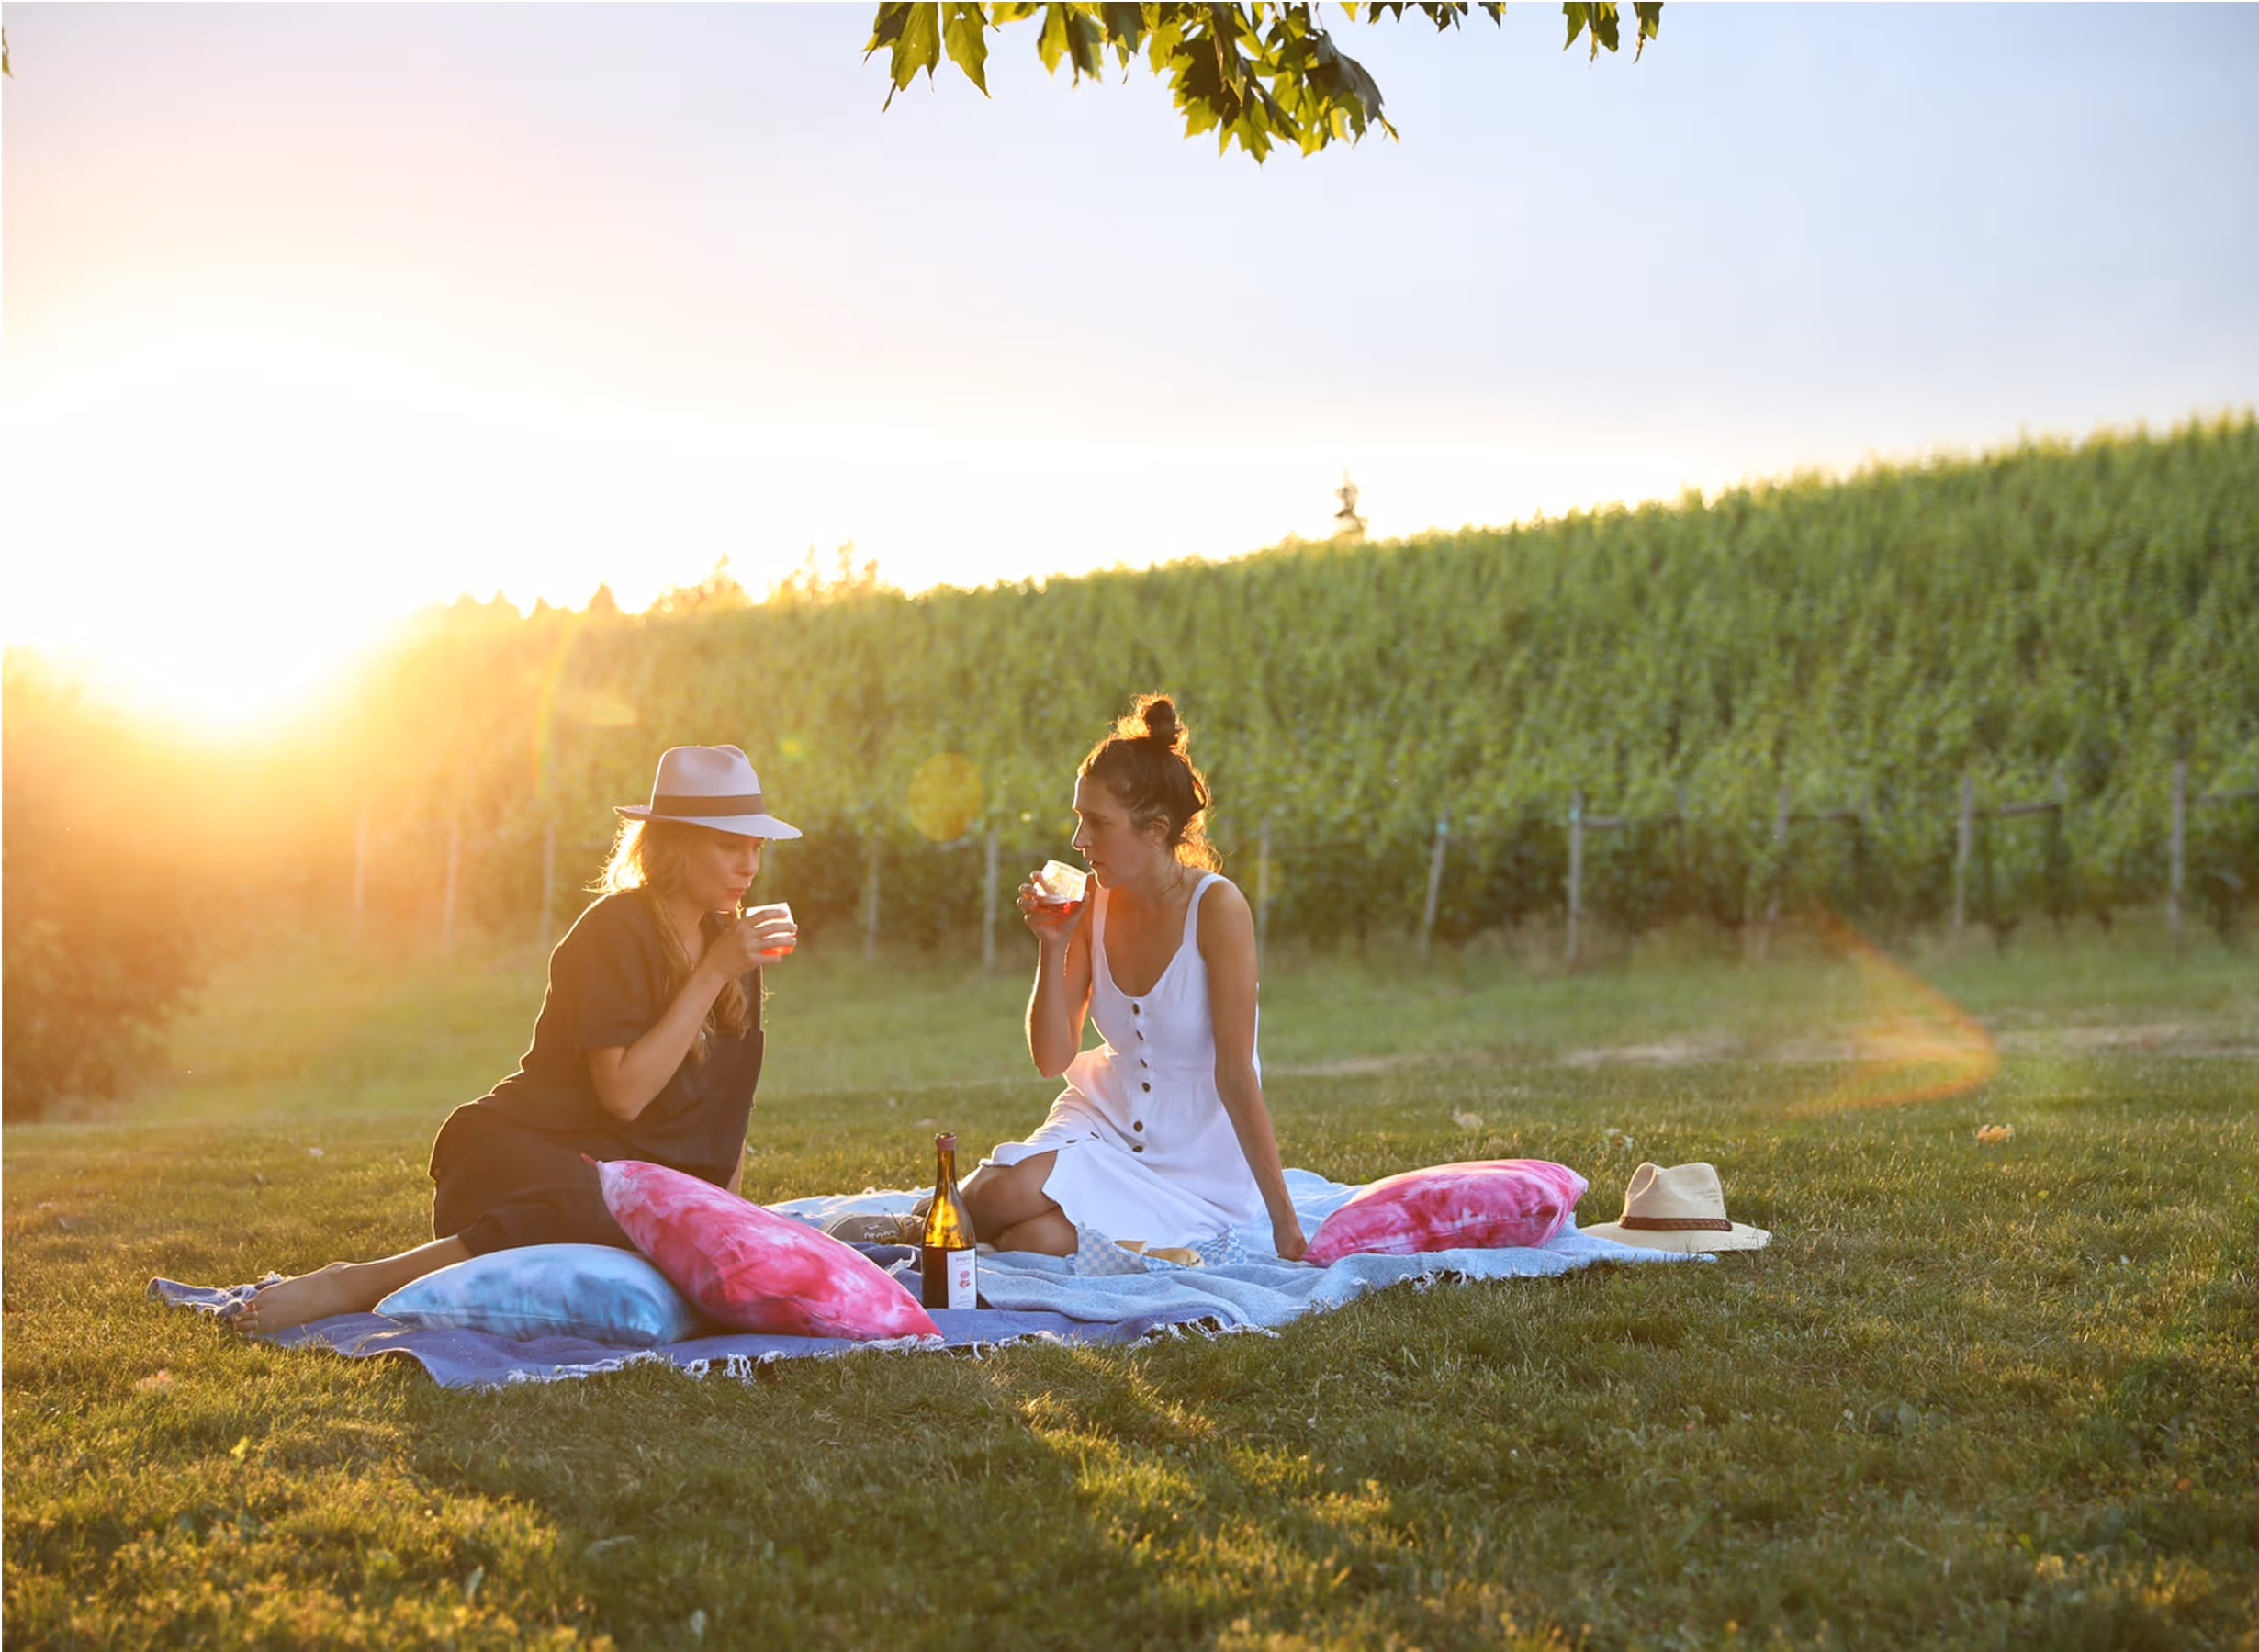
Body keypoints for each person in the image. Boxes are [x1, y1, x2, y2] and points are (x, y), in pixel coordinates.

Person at [224, 745, 801, 1333]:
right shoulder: (616, 931)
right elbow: (624, 1097)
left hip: (622, 1172)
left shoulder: (732, 947)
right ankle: (356, 1281)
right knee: (620, 1210)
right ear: (676, 843)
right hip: (521, 1156)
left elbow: (728, 1106)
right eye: (729, 846)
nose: (748, 866)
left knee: (655, 1216)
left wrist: (730, 1218)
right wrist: (712, 974)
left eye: (756, 847)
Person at [970, 694, 1305, 1261]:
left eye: (1097, 823)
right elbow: (1052, 1059)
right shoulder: (1091, 901)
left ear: (1155, 830)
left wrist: (1285, 1224)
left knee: (1033, 1240)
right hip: (1101, 1122)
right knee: (996, 1195)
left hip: (1194, 1168)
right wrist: (1053, 944)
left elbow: (1236, 1074)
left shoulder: (1216, 909)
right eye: (1079, 818)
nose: (1079, 840)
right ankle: (903, 1232)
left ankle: (935, 1229)